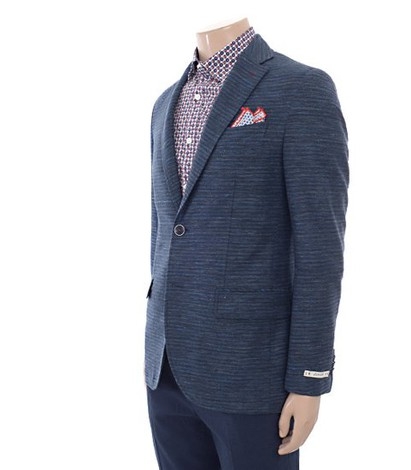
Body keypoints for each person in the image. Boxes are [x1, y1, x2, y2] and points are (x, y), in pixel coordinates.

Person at [145, 17, 349, 469]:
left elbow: (320, 251)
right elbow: (164, 230)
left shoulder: (301, 89)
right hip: (165, 369)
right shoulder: (164, 104)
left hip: (253, 373)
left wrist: (309, 377)